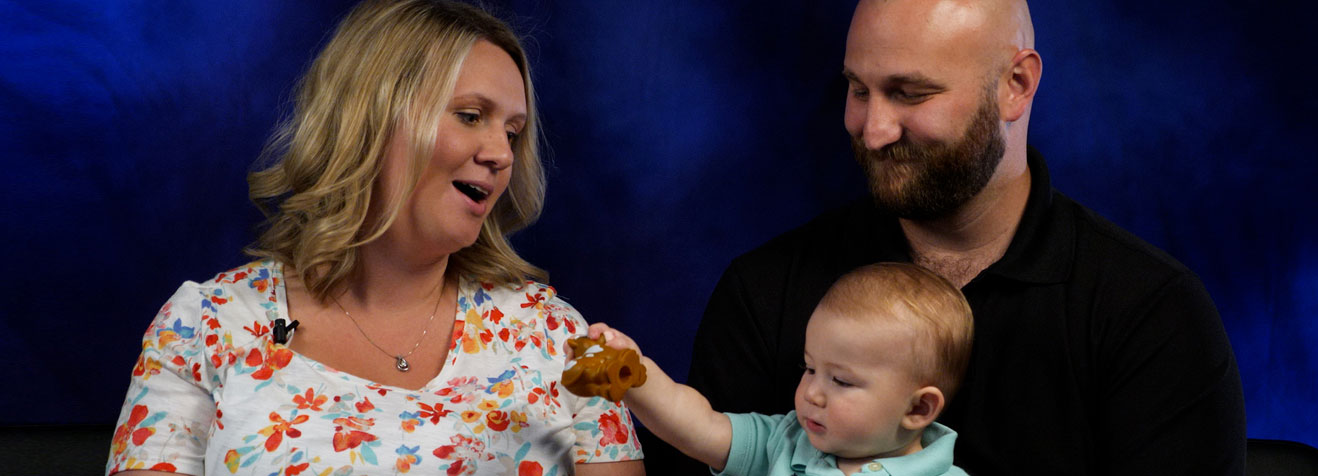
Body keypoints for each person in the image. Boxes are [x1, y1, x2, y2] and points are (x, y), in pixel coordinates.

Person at [675, 0, 1248, 474]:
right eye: (857, 89)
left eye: (911, 93)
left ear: (1016, 85)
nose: (873, 132)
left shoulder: (1149, 314)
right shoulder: (768, 288)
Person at [106, 1, 644, 475]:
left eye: (512, 132)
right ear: (370, 118)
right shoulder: (205, 325)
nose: (502, 154)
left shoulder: (558, 337)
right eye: (471, 115)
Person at [585, 263, 974, 476]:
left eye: (840, 380)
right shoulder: (785, 440)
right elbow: (696, 425)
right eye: (808, 369)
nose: (812, 393)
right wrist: (634, 376)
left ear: (918, 409)